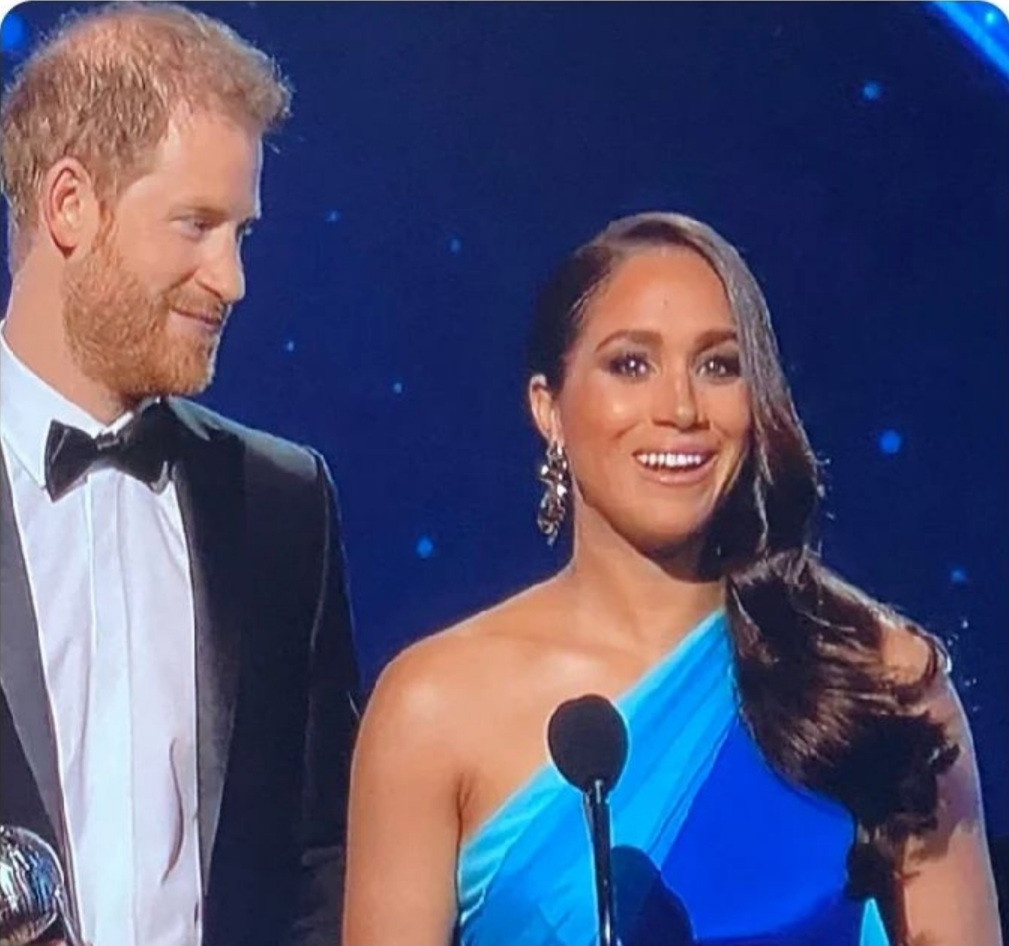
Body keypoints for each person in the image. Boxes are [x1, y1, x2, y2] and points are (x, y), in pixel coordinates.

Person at [342, 212, 1002, 946]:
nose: (681, 409)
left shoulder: (876, 678)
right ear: (548, 408)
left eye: (719, 366)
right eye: (631, 365)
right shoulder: (430, 709)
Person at [0, 5, 359, 945]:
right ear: (70, 205)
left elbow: (320, 857)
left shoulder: (283, 503)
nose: (231, 279)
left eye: (241, 233)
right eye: (196, 225)